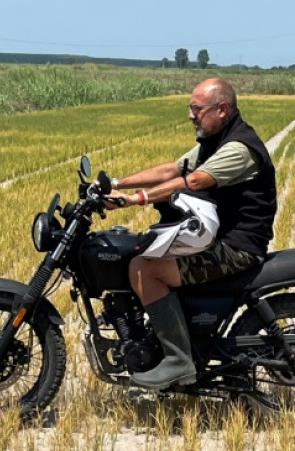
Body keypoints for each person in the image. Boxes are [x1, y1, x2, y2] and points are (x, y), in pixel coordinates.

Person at [105, 77, 277, 389]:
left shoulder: (238, 147)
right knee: (142, 248)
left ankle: (178, 361)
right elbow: (173, 169)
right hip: (218, 238)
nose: (190, 115)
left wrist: (136, 200)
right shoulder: (216, 141)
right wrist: (114, 184)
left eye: (196, 108)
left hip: (237, 247)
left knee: (144, 268)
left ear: (221, 109)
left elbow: (195, 181)